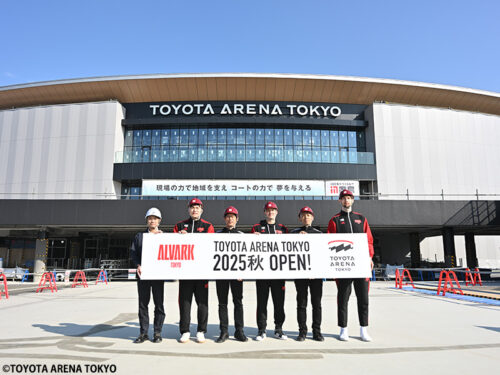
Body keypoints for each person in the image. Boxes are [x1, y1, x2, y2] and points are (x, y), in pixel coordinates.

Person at [327, 189, 374, 342]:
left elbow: (368, 240)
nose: (346, 201)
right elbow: (330, 242)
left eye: (349, 198)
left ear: (353, 200)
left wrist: (369, 257)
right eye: (344, 198)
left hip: (361, 266)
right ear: (339, 201)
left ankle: (363, 329)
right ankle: (343, 329)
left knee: (363, 298)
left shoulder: (361, 218)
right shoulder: (334, 220)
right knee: (343, 298)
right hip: (344, 266)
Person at [174, 198, 214, 343]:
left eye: (197, 207)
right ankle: (184, 331)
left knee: (202, 303)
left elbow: (209, 246)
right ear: (188, 210)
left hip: (202, 272)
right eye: (192, 207)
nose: (195, 210)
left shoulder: (208, 226)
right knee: (185, 303)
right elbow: (172, 246)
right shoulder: (179, 226)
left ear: (201, 210)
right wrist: (180, 237)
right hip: (185, 273)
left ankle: (201, 331)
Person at [251, 201, 289, 341]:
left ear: (276, 212)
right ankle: (261, 330)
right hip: (262, 272)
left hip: (279, 273)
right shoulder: (257, 227)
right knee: (262, 302)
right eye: (268, 210)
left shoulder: (283, 228)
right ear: (264, 212)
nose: (270, 212)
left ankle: (279, 329)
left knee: (279, 303)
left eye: (273, 210)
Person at [130, 207, 165, 343]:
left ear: (159, 221)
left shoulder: (163, 236)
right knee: (143, 304)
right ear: (147, 221)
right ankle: (143, 333)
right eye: (150, 218)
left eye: (155, 219)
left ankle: (157, 333)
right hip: (143, 275)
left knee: (159, 304)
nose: (152, 221)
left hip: (158, 275)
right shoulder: (139, 236)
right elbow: (133, 253)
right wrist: (138, 264)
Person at [215, 206, 248, 343]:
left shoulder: (241, 235)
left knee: (238, 302)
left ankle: (239, 331)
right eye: (228, 216)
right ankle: (224, 331)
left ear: (237, 219)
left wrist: (243, 272)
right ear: (224, 219)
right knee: (222, 303)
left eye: (233, 217)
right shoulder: (217, 234)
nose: (230, 219)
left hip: (237, 275)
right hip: (221, 274)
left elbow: (246, 255)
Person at [291, 206, 324, 342]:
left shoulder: (319, 234)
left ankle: (317, 332)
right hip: (300, 275)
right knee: (301, 304)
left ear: (312, 217)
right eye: (303, 215)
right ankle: (302, 331)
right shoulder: (293, 233)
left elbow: (323, 255)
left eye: (308, 215)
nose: (306, 217)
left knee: (316, 304)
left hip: (316, 275)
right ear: (299, 218)